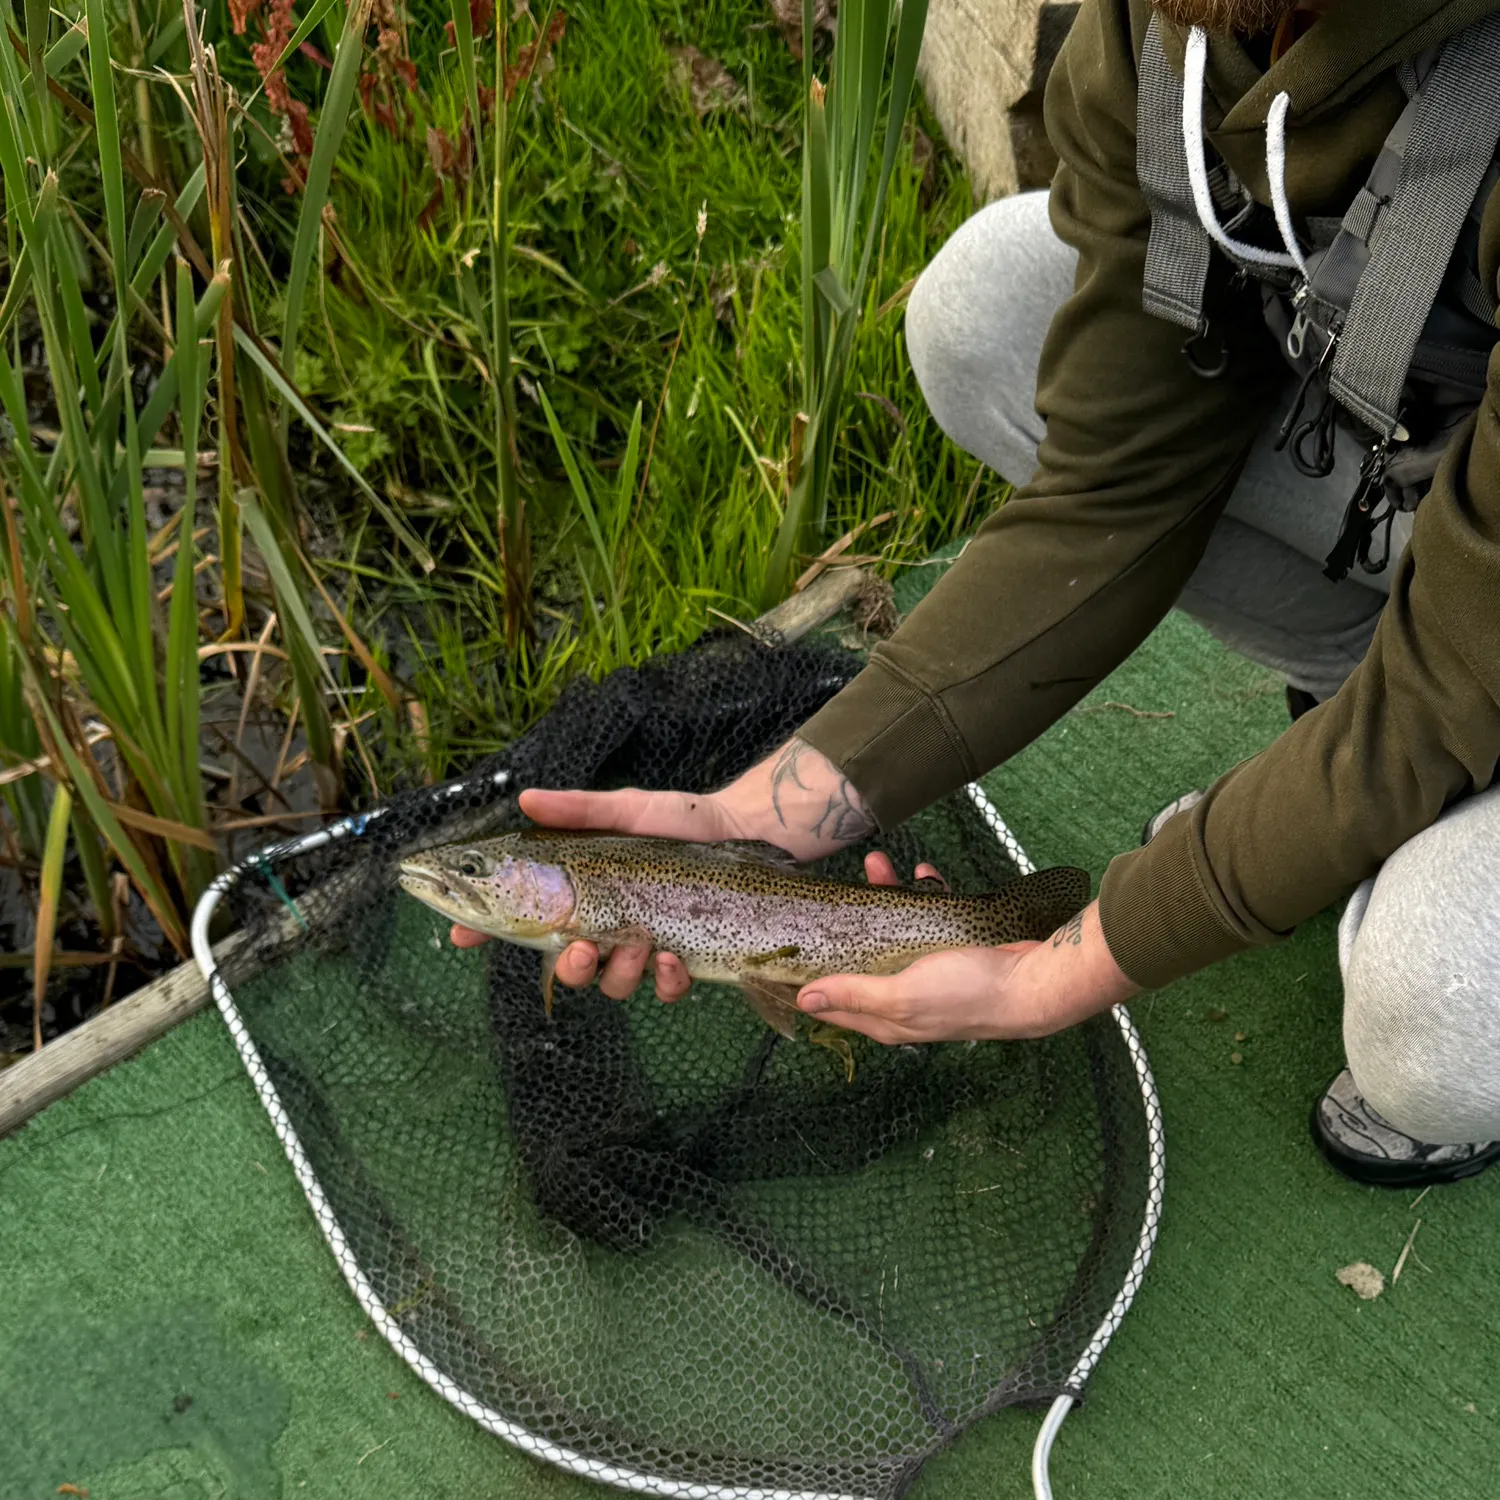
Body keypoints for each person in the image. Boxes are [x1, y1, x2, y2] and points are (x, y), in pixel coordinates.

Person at [460, 0, 1500, 1190]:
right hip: (1462, 516)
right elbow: (1119, 486)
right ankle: (1340, 722)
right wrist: (795, 801)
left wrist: (1060, 968)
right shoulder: (1167, 28)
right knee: (992, 309)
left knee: (1438, 1019)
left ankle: (1396, 847)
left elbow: (1447, 692)